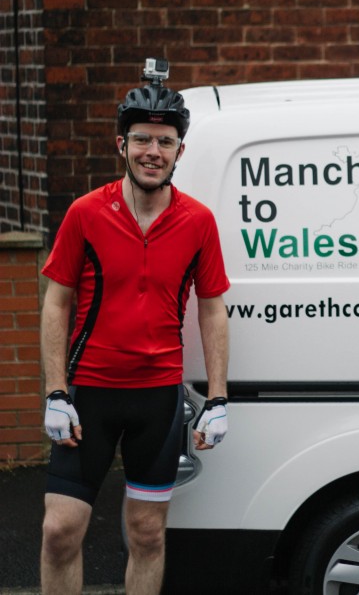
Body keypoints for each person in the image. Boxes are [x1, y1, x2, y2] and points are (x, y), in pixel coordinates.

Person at [39, 59, 231, 595]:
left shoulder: (198, 221)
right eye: (142, 139)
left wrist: (217, 397)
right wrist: (55, 391)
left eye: (165, 142)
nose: (153, 151)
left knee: (146, 534)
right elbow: (57, 304)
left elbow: (212, 307)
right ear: (121, 145)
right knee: (60, 531)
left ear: (179, 151)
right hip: (88, 395)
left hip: (157, 399)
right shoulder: (85, 213)